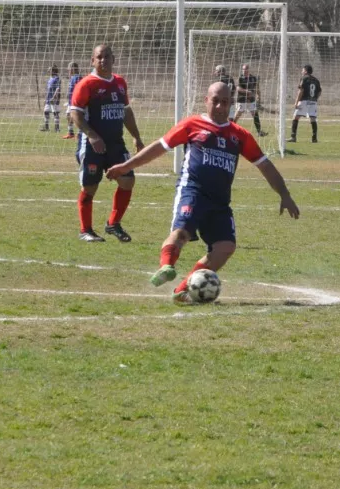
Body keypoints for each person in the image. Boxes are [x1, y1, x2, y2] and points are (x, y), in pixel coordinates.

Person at [108, 82, 300, 303]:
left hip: (220, 202)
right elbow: (160, 147)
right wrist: (126, 167)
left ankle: (182, 289)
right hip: (193, 191)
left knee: (225, 247)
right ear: (206, 100)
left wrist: (284, 194)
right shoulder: (192, 124)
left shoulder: (239, 135)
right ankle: (166, 267)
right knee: (181, 233)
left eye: (225, 102)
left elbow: (264, 165)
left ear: (231, 104)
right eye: (215, 101)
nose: (220, 106)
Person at [68, 44, 145, 242]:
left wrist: (136, 136)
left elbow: (126, 111)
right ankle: (86, 230)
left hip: (116, 144)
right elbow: (75, 112)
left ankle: (113, 224)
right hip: (92, 145)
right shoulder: (86, 84)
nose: (103, 60)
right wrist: (92, 136)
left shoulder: (120, 83)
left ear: (113, 59)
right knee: (90, 187)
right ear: (92, 61)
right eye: (99, 57)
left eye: (107, 56)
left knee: (128, 180)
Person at [234, 63, 267, 136]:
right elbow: (238, 88)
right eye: (243, 69)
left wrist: (259, 95)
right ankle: (231, 129)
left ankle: (259, 132)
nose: (244, 70)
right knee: (237, 116)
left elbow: (256, 87)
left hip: (251, 100)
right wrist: (247, 91)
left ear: (248, 70)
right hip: (242, 100)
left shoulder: (253, 78)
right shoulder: (240, 78)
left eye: (245, 69)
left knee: (255, 114)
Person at [290, 64, 321, 143]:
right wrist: (315, 99)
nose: (302, 71)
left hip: (304, 100)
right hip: (313, 101)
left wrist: (296, 102)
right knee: (313, 118)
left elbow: (301, 91)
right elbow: (320, 91)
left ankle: (293, 137)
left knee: (295, 117)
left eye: (302, 70)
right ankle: (314, 138)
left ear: (306, 71)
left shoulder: (304, 78)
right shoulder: (316, 80)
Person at [62, 62, 80, 139]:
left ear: (72, 69)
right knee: (69, 116)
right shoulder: (72, 77)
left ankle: (80, 134)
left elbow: (79, 89)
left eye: (69, 69)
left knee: (76, 117)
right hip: (70, 102)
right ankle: (71, 133)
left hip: (75, 102)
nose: (68, 71)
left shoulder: (77, 77)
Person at [41, 65, 62, 132]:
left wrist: (54, 97)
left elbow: (58, 89)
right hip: (48, 99)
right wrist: (45, 99)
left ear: (53, 71)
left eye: (49, 70)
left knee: (55, 113)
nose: (48, 71)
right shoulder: (50, 79)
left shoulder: (57, 79)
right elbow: (48, 90)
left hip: (54, 99)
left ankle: (57, 128)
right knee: (46, 112)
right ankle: (46, 127)